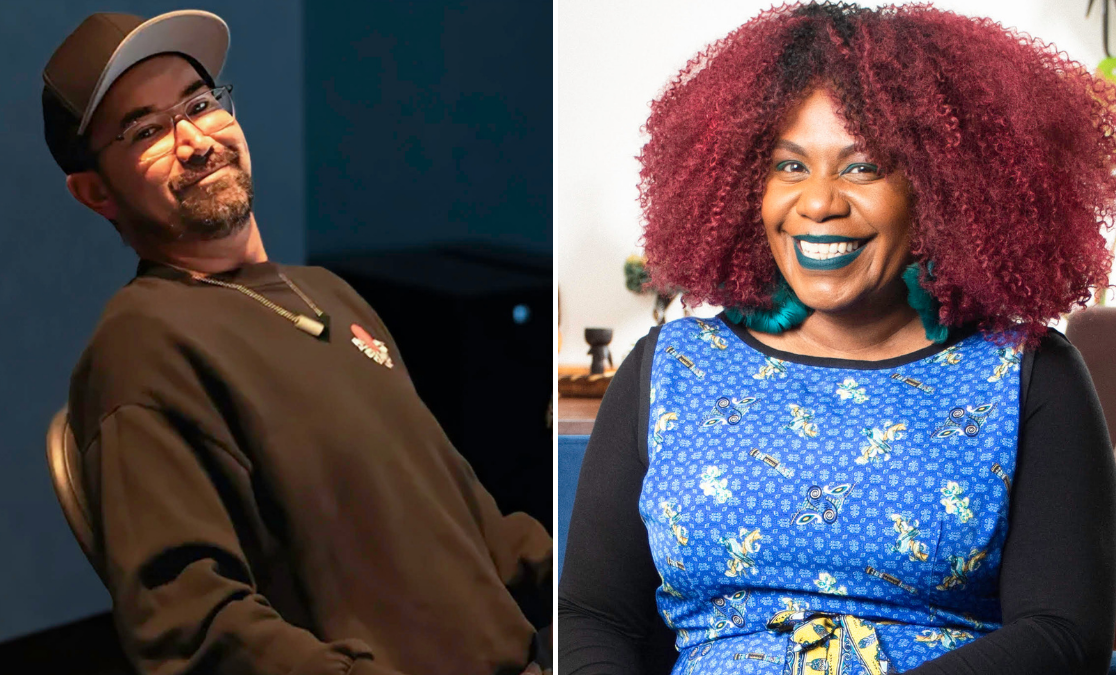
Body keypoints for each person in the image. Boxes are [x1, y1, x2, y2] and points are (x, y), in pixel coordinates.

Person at [558, 3, 1116, 674]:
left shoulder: (1027, 376)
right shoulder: (669, 369)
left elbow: (1064, 632)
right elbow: (592, 618)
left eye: (862, 168)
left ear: (940, 189)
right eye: (789, 166)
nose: (818, 202)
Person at [43, 10, 551, 675]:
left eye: (199, 103)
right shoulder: (141, 349)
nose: (195, 139)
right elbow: (195, 631)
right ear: (93, 190)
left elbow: (472, 520)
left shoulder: (329, 294)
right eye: (146, 130)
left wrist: (607, 574)